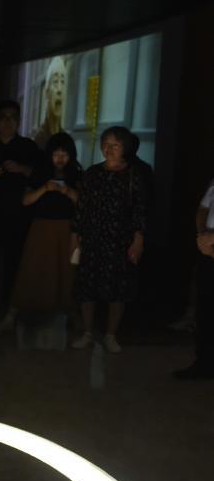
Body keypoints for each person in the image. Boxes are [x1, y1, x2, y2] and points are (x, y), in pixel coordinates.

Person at [70, 126, 145, 353]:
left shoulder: (133, 175)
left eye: (115, 145)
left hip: (119, 240)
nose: (108, 149)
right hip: (92, 238)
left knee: (117, 289)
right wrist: (75, 236)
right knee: (87, 287)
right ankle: (88, 332)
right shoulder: (93, 173)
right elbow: (81, 208)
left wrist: (138, 240)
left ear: (125, 148)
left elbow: (139, 211)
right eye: (105, 144)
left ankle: (111, 334)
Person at [0, 99, 41, 331]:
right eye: (3, 117)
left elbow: (40, 174)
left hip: (19, 216)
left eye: (12, 118)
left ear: (18, 121)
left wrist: (21, 169)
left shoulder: (28, 147)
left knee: (14, 263)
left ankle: (10, 309)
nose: (8, 122)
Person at [11, 132, 81, 315]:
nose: (60, 158)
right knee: (35, 266)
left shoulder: (76, 174)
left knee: (65, 271)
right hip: (41, 228)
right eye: (56, 154)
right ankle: (31, 308)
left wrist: (67, 191)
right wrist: (44, 188)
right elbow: (26, 200)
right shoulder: (40, 173)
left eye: (64, 154)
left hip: (67, 229)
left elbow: (84, 203)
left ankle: (65, 311)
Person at [173, 180, 214, 379]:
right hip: (208, 250)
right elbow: (203, 209)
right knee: (205, 309)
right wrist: (202, 236)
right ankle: (204, 362)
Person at [33, 57, 68, 150]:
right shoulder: (39, 138)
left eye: (63, 82)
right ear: (47, 92)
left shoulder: (66, 138)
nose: (60, 89)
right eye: (55, 81)